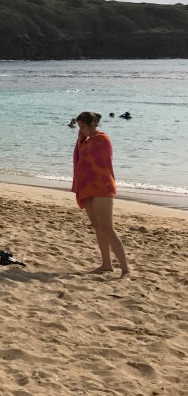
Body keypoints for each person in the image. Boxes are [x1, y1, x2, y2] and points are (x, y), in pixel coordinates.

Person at [72, 111, 129, 276]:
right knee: (97, 227)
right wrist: (80, 139)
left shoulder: (102, 139)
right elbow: (81, 159)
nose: (81, 130)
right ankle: (106, 264)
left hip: (102, 187)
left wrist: (83, 142)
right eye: (79, 127)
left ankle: (126, 269)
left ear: (93, 124)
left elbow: (97, 161)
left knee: (107, 228)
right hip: (88, 187)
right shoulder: (86, 141)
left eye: (83, 126)